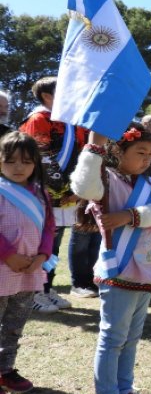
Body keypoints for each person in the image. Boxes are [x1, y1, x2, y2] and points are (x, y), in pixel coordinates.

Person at [70, 124, 151, 394]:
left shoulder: (150, 184)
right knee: (113, 338)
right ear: (118, 151)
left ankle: (124, 387)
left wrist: (130, 216)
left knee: (131, 336)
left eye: (150, 154)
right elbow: (83, 185)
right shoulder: (104, 180)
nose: (147, 159)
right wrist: (94, 145)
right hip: (117, 270)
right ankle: (108, 392)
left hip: (146, 270)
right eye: (140, 152)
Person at [20, 77, 86, 313]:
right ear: (47, 97)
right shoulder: (38, 119)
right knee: (40, 242)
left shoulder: (71, 122)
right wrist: (66, 190)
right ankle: (33, 292)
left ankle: (46, 288)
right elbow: (43, 158)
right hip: (42, 193)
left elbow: (81, 156)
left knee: (53, 244)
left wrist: (78, 189)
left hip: (66, 194)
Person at [0, 132, 55, 394]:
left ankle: (5, 369)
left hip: (29, 272)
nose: (18, 167)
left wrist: (43, 256)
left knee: (14, 325)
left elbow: (49, 228)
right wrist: (9, 254)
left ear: (35, 163)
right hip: (2, 268)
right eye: (10, 161)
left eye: (26, 161)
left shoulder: (41, 194)